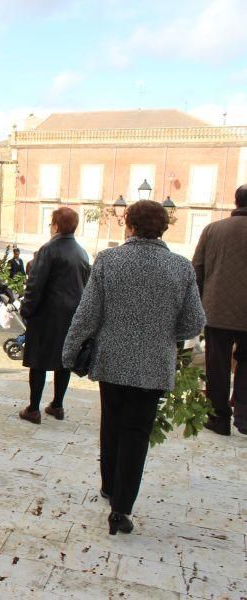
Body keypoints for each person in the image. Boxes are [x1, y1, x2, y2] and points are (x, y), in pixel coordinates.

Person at [63, 200, 205, 534]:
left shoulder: (109, 261)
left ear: (130, 224)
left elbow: (88, 313)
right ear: (164, 227)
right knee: (137, 433)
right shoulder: (181, 267)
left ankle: (109, 486)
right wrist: (164, 332)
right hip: (154, 366)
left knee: (111, 424)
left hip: (112, 362)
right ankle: (122, 509)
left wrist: (69, 351)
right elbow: (193, 323)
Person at [18, 207, 90, 424]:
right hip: (71, 315)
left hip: (47, 315)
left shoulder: (49, 249)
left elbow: (35, 283)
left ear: (56, 225)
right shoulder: (81, 252)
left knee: (38, 362)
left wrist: (27, 309)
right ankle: (57, 405)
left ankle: (33, 408)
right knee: (63, 361)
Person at [192, 183, 247, 436]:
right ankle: (244, 417)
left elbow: (197, 270)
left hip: (216, 310)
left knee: (217, 365)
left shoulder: (212, 230)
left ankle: (219, 418)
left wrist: (199, 304)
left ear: (236, 202)